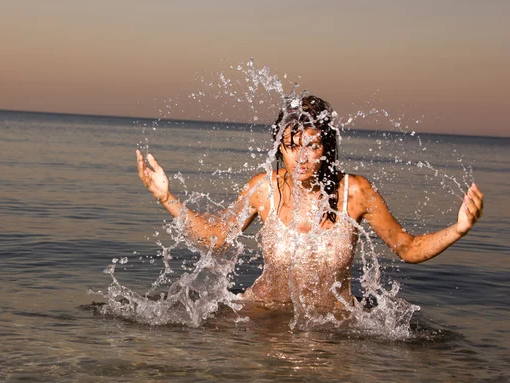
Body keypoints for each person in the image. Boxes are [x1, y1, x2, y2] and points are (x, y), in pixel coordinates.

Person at [135, 95, 484, 319]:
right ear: (279, 148)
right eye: (291, 146)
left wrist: (459, 229)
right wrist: (167, 198)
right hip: (260, 318)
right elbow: (215, 237)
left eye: (311, 146)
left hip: (333, 328)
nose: (300, 158)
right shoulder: (263, 189)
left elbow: (407, 248)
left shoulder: (355, 192)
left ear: (326, 148)